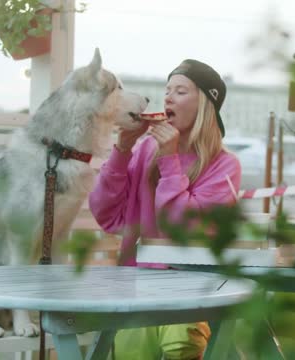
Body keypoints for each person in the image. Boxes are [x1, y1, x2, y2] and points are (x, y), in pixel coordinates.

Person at [88, 59, 242, 360]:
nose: (168, 97)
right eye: (167, 89)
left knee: (181, 345)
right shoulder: (145, 150)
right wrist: (122, 150)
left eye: (180, 91)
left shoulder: (225, 166)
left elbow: (183, 230)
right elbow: (107, 215)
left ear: (205, 105)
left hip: (191, 288)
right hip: (136, 284)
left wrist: (170, 162)